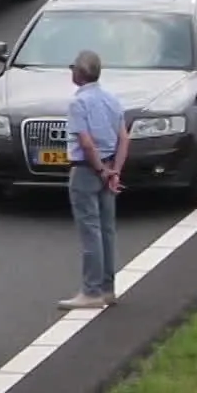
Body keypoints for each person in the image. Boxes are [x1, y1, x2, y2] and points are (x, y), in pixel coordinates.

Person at [61, 51, 128, 311]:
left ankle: (91, 291)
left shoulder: (78, 103)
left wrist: (100, 170)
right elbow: (124, 138)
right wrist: (115, 172)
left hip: (87, 170)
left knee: (90, 231)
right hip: (110, 165)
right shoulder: (111, 99)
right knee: (107, 230)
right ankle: (108, 288)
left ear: (79, 73)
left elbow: (86, 143)